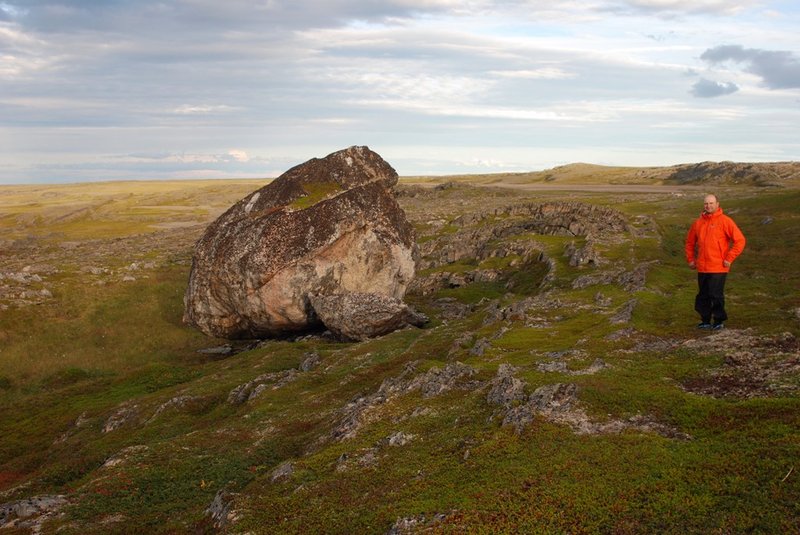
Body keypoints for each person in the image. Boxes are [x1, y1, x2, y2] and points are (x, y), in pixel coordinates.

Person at [684, 193, 746, 330]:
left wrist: (729, 258)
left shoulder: (725, 221)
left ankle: (718, 321)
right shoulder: (698, 223)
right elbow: (689, 243)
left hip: (718, 266)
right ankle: (705, 320)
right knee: (703, 295)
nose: (708, 206)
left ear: (717, 204)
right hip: (702, 267)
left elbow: (740, 241)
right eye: (706, 203)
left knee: (716, 295)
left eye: (711, 203)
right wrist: (691, 259)